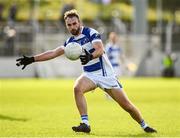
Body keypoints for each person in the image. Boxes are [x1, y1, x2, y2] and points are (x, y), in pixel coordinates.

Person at [16, 9, 157, 134]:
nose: (72, 27)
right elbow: (54, 52)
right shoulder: (70, 42)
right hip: (90, 75)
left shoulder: (90, 32)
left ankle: (144, 125)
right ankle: (85, 124)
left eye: (74, 23)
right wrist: (32, 59)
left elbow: (100, 49)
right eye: (69, 25)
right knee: (77, 88)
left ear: (79, 22)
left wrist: (90, 55)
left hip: (105, 74)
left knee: (127, 106)